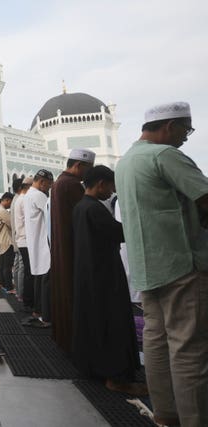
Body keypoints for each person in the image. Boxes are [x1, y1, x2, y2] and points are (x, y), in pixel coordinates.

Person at [116, 102, 208, 427]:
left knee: (156, 339)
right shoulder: (164, 156)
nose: (186, 137)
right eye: (186, 129)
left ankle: (166, 414)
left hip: (147, 266)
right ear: (170, 126)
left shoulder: (126, 161)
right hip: (181, 265)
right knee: (189, 347)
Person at [71, 166, 144, 395]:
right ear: (101, 183)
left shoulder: (80, 207)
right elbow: (118, 233)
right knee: (111, 323)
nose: (112, 192)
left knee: (95, 321)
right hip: (104, 275)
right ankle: (116, 377)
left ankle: (96, 368)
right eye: (111, 186)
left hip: (88, 274)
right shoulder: (94, 209)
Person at [50, 148, 95, 352]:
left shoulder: (59, 182)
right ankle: (75, 340)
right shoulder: (72, 185)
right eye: (88, 168)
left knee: (63, 290)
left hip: (61, 245)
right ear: (79, 165)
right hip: (72, 246)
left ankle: (64, 337)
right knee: (72, 292)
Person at [24, 170, 53, 325]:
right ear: (42, 182)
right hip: (43, 243)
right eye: (48, 185)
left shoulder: (28, 195)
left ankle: (38, 310)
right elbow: (52, 216)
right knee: (45, 280)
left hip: (35, 242)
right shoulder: (39, 196)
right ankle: (45, 315)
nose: (48, 188)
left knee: (39, 278)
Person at [14, 177, 34, 310]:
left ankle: (26, 298)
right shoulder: (24, 199)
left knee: (26, 270)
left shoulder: (19, 199)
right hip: (25, 240)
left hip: (22, 239)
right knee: (28, 271)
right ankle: (27, 299)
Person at [0, 192, 15, 291]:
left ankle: (5, 284)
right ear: (6, 200)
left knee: (4, 265)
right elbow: (12, 223)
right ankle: (8, 286)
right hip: (6, 241)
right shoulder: (2, 211)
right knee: (7, 265)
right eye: (10, 202)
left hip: (2, 240)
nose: (10, 204)